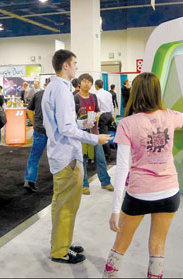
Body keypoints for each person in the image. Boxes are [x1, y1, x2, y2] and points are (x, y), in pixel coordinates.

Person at [102, 72, 183, 278]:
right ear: (157, 92)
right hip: (169, 192)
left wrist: (115, 209)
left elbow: (122, 168)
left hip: (139, 194)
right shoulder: (169, 115)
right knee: (158, 246)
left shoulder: (127, 123)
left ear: (135, 93)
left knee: (120, 245)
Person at [41, 49, 112, 264]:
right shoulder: (61, 91)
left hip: (63, 153)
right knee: (65, 205)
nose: (77, 67)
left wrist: (83, 124)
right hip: (66, 156)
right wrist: (94, 139)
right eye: (75, 63)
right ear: (66, 66)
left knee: (65, 204)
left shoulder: (55, 88)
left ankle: (63, 242)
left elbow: (67, 124)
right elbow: (66, 129)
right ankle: (60, 250)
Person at [74, 74, 114, 195]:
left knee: (100, 158)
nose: (87, 84)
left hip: (95, 133)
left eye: (89, 82)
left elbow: (97, 109)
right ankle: (84, 184)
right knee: (83, 160)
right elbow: (72, 117)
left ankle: (105, 182)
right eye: (84, 81)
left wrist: (97, 115)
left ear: (92, 84)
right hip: (82, 134)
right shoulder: (75, 98)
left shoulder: (94, 97)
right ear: (79, 83)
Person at [23, 79, 49, 193]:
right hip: (53, 131)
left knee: (34, 156)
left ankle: (29, 180)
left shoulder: (38, 94)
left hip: (39, 129)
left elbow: (29, 109)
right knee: (57, 156)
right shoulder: (58, 95)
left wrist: (34, 122)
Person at [95, 79, 115, 161]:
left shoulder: (97, 95)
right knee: (109, 134)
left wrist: (96, 119)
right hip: (109, 115)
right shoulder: (108, 93)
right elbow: (111, 105)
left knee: (104, 135)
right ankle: (110, 150)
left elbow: (98, 108)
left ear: (96, 86)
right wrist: (113, 116)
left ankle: (107, 155)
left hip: (103, 116)